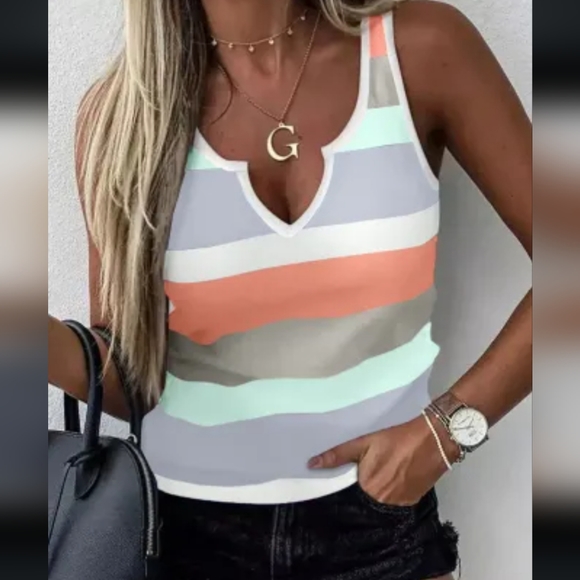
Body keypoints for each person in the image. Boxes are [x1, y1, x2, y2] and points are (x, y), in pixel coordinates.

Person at [48, 0, 532, 578]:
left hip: (378, 527)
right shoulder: (123, 116)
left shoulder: (420, 50)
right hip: (183, 536)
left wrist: (446, 433)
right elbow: (132, 382)